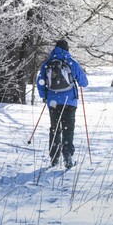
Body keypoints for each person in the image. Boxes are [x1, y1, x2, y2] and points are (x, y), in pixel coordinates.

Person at [37, 39, 88, 168]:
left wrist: (45, 97)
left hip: (53, 102)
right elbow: (84, 82)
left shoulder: (47, 64)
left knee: (55, 128)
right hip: (70, 102)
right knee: (68, 128)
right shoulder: (72, 62)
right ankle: (67, 156)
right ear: (67, 49)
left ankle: (54, 157)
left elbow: (40, 82)